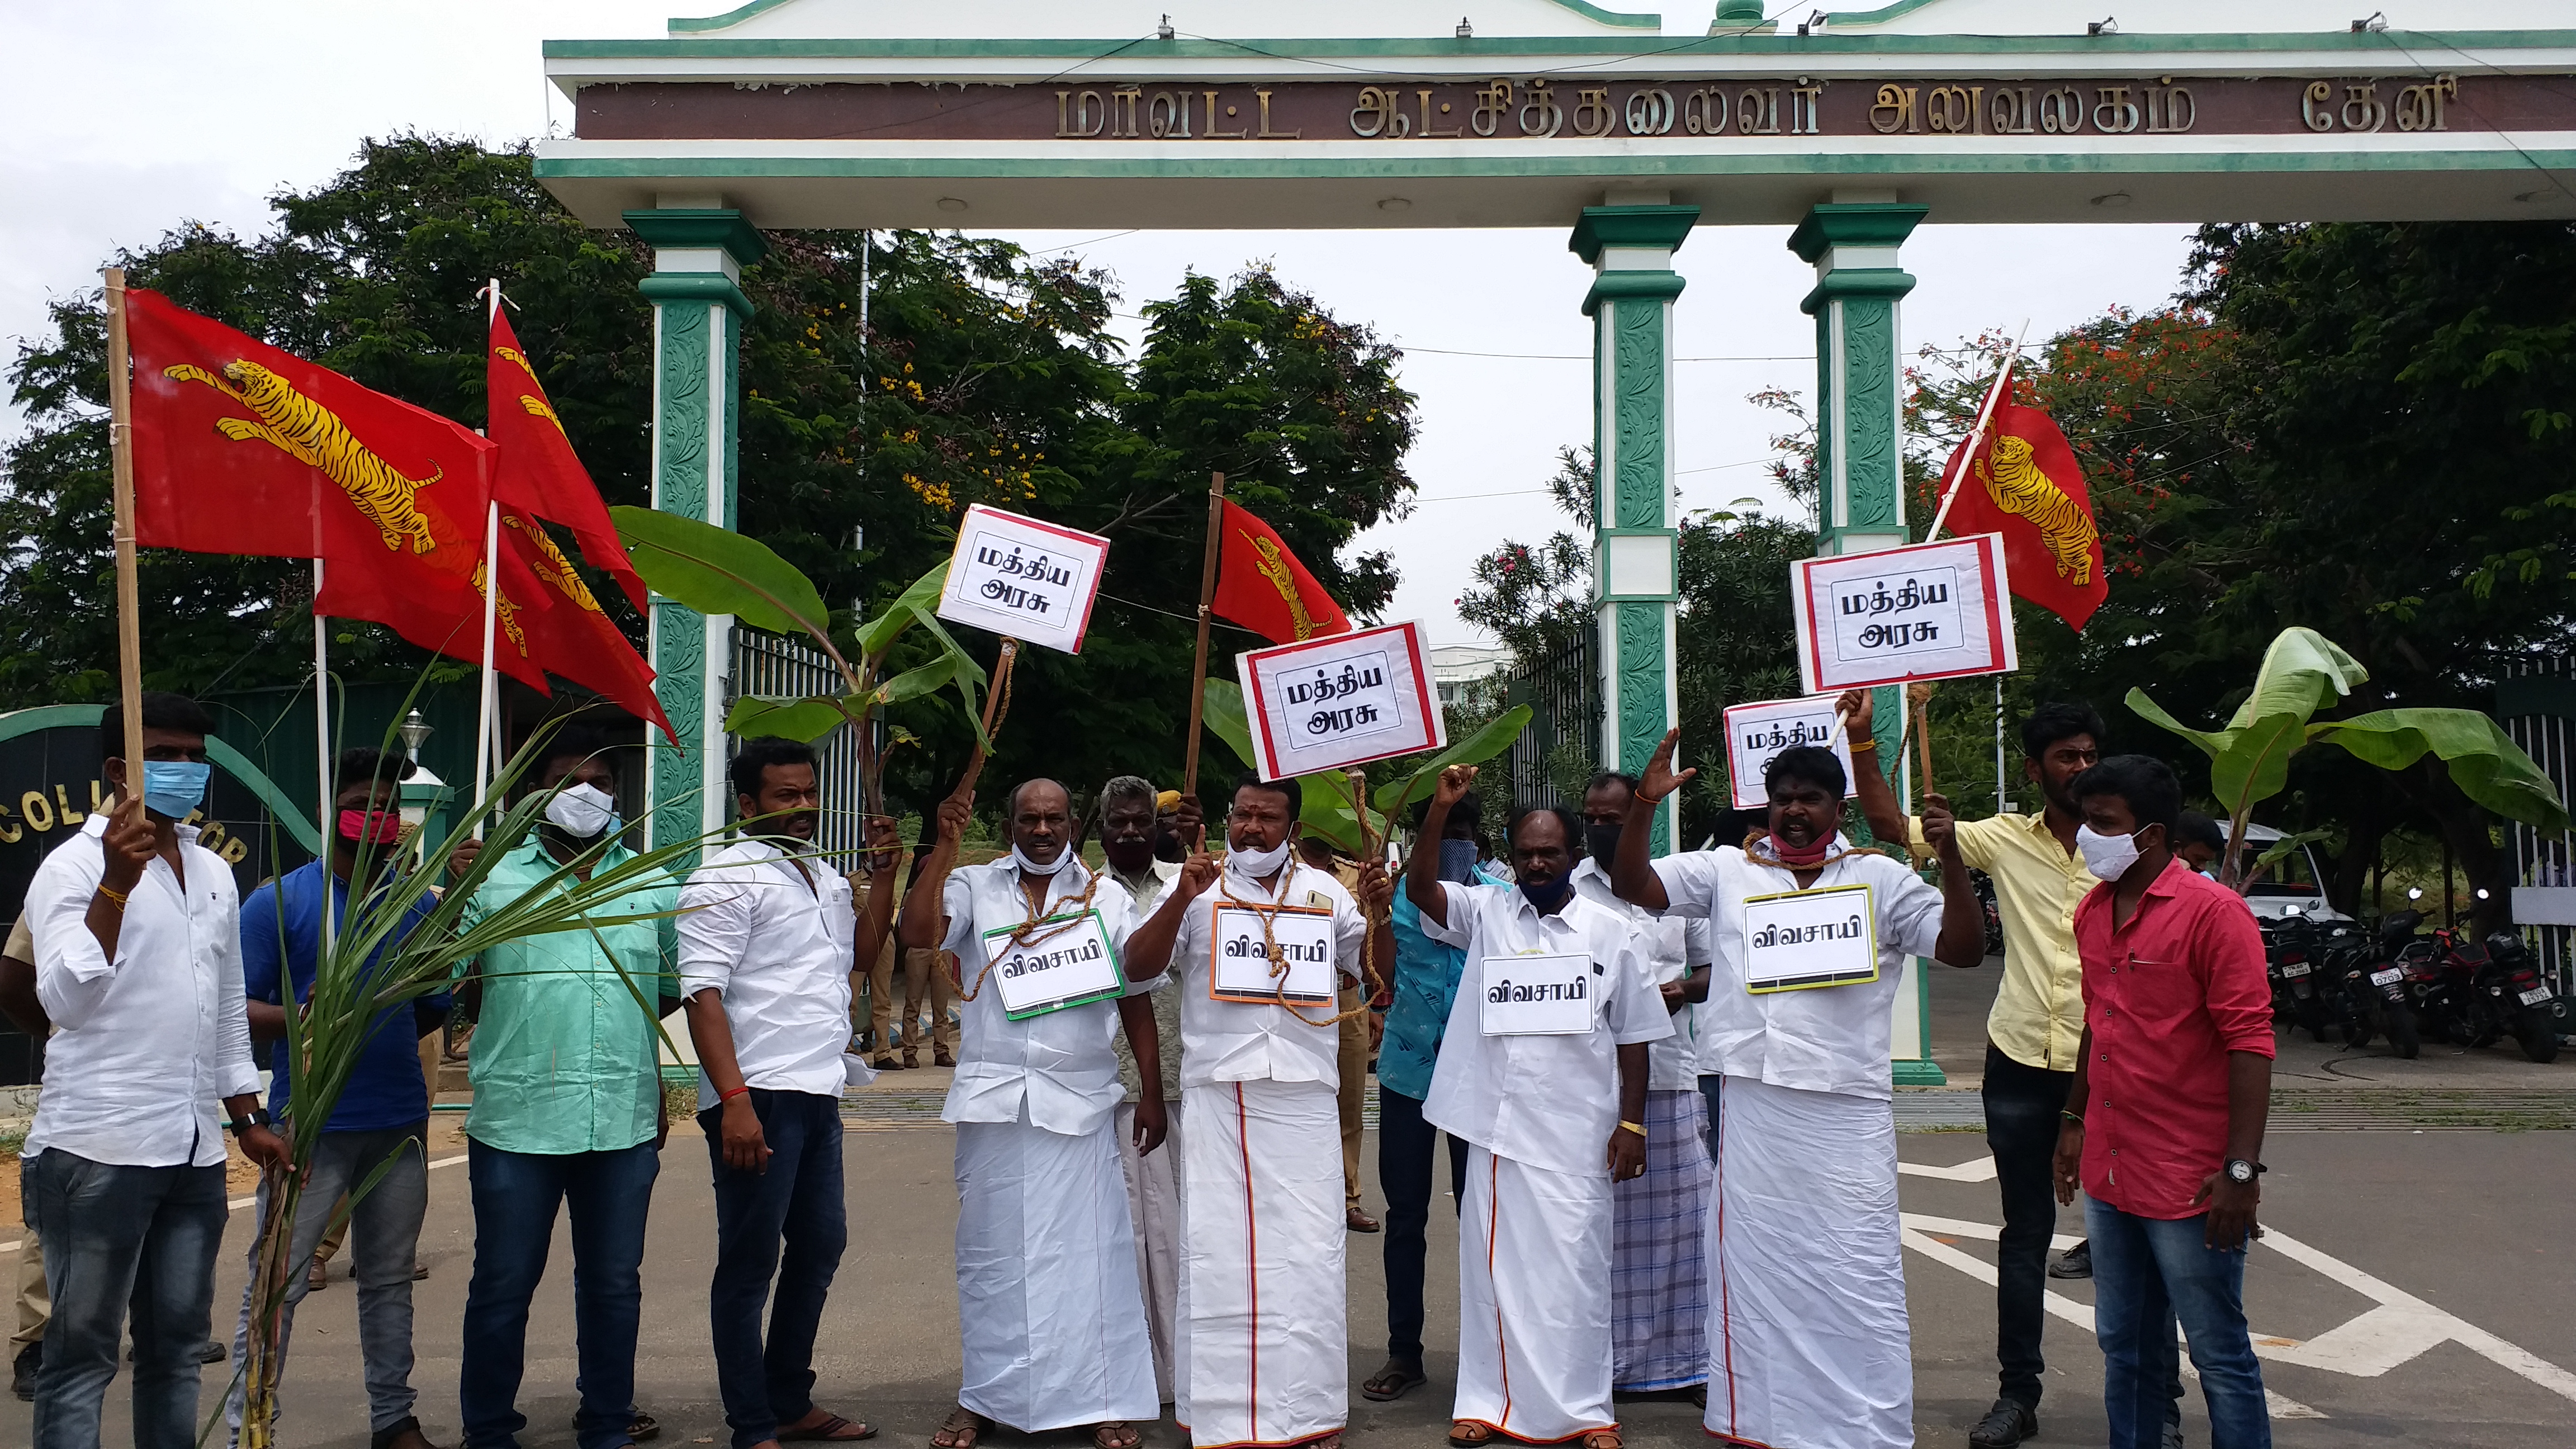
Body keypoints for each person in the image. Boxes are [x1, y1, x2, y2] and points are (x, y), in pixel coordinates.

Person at [1612, 732, 1985, 1449]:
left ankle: (1861, 1426)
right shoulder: (1727, 870)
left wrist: (1954, 862)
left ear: (1836, 806)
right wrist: (1643, 808)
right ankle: (1765, 1421)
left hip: (1846, 1109)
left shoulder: (1880, 879)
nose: (1793, 812)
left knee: (1853, 1269)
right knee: (1759, 1273)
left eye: (1808, 799)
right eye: (1782, 800)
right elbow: (1637, 887)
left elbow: (1963, 950)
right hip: (1754, 1103)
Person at [1846, 690, 2138, 1448]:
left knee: (2139, 1231)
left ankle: (2151, 1403)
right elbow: (1889, 828)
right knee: (2025, 1232)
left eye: (2088, 755)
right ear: (2037, 769)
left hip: (2118, 1065)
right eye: (2066, 757)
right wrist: (1863, 747)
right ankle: (2019, 1395)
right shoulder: (2005, 838)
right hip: (2020, 1060)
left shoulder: (2129, 846)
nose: (2081, 767)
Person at [20, 691, 289, 1449]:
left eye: (194, 758)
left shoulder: (210, 872)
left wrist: (248, 1117)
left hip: (194, 1152)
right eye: (164, 756)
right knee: (80, 1358)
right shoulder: (69, 868)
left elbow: (227, 1005)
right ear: (118, 769)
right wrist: (115, 883)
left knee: (174, 1352)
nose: (185, 770)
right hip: (97, 1152)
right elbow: (66, 999)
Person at [901, 776, 1196, 1449]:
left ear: (1073, 825)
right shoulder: (976, 886)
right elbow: (921, 933)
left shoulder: (1105, 896)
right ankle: (984, 1398)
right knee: (991, 1259)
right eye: (1029, 818)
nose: (1041, 829)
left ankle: (1105, 1400)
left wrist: (1150, 1090)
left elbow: (1138, 987)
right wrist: (944, 849)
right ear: (1010, 824)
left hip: (1082, 1105)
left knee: (1091, 1258)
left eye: (1054, 819)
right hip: (995, 1105)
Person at [1123, 771, 1393, 1449]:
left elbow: (1377, 979)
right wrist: (1179, 899)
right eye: (1242, 815)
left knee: (1308, 1253)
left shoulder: (1326, 894)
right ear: (1229, 816)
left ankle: (1307, 1412)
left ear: (1291, 829)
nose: (1251, 829)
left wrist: (1383, 917)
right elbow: (1135, 969)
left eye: (1267, 819)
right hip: (1220, 1092)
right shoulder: (1199, 888)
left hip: (1303, 1096)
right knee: (1219, 1254)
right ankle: (1220, 1414)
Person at [1408, 770, 1666, 1449]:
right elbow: (1420, 890)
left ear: (1575, 854)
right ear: (1512, 857)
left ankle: (1587, 1412)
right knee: (1493, 1274)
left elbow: (1636, 1035)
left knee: (1577, 1274)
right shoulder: (1486, 911)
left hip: (1579, 1132)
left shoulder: (1611, 931)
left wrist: (1632, 1124)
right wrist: (1438, 811)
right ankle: (1486, 1403)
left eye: (1550, 852)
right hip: (1496, 1127)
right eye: (1525, 853)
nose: (1537, 863)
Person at [444, 731, 684, 1449]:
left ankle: (607, 1420)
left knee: (613, 1286)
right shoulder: (490, 881)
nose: (589, 794)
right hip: (517, 1122)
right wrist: (454, 892)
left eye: (603, 782)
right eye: (569, 782)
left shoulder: (651, 883)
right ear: (533, 798)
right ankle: (488, 1429)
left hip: (621, 1119)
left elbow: (669, 988)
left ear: (618, 798)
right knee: (502, 1286)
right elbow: (449, 987)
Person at [223, 748, 447, 1449]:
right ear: (331, 811)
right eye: (361, 800)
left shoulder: (416, 906)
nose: (376, 815)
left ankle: (394, 1418)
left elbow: (432, 1005)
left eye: (388, 806)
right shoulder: (281, 901)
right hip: (309, 1125)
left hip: (399, 1124)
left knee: (387, 1280)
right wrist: (305, 1014)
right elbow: (235, 1008)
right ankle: (249, 1427)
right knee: (278, 1284)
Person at [2055, 756, 2276, 1449]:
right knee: (2125, 1342)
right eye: (2084, 822)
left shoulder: (2214, 913)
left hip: (2189, 1177)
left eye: (2102, 824)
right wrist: (2072, 1120)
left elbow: (2250, 1042)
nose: (2087, 838)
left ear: (2150, 836)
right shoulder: (2094, 910)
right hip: (2113, 1168)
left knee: (2216, 1350)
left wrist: (2240, 1172)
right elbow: (2100, 1020)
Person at [679, 737, 891, 1449]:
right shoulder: (724, 876)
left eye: (809, 794)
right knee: (749, 1260)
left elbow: (860, 957)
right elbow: (701, 993)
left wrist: (883, 880)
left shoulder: (822, 875)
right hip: (758, 1093)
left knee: (820, 1244)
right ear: (747, 804)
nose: (804, 808)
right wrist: (732, 1100)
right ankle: (751, 1423)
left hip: (817, 1088)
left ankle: (789, 1397)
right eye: (785, 796)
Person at [1572, 773, 1716, 1400]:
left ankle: (1687, 1364)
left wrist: (1679, 991)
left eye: (1615, 816)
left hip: (1671, 1074)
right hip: (1589, 1083)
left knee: (1685, 1226)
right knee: (1598, 1230)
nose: (1602, 827)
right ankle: (1597, 1366)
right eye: (1593, 817)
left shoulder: (1678, 888)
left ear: (1642, 816)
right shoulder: (1566, 892)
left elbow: (1716, 972)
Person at [1360, 789, 1484, 1405]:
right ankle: (1404, 1351)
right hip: (1407, 1075)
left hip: (1475, 1080)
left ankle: (1486, 1359)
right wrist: (1381, 915)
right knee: (1406, 1217)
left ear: (1480, 842)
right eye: (1445, 831)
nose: (1456, 842)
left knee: (1481, 1216)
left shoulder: (1499, 900)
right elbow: (1378, 984)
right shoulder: (1394, 896)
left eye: (1465, 831)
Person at [1098, 775, 1191, 1403]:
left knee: (1181, 1236)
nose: (1131, 831)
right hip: (1107, 1088)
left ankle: (1185, 1370)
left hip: (1184, 1084)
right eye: (1119, 823)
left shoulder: (1189, 886)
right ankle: (1129, 1372)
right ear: (1101, 827)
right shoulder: (1080, 891)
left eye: (1141, 821)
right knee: (1124, 1238)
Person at [1294, 832, 1381, 1235]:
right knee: (1299, 1100)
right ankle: (1304, 1197)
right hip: (1296, 1002)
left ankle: (1347, 1199)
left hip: (1347, 998)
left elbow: (1371, 943)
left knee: (1348, 1104)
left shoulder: (1353, 875)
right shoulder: (1286, 874)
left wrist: (1375, 1007)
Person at [3, 912, 50, 1400]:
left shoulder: (201, 878)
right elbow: (14, 980)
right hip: (84, 1092)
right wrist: (65, 1036)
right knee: (54, 1218)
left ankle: (156, 1333)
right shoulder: (69, 874)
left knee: (163, 1213)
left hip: (168, 1089)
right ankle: (36, 1343)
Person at [2176, 811, 2227, 878]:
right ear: (2175, 847)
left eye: (2206, 862)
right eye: (2198, 859)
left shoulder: (2206, 880)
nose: (2202, 868)